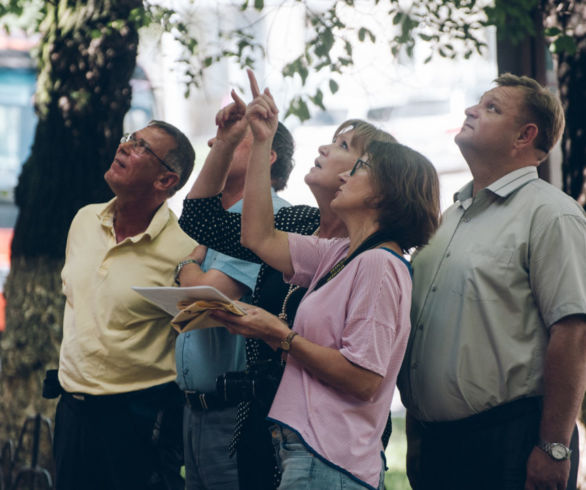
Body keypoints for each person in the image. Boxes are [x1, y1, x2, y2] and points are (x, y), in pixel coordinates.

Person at [210, 74, 440, 490]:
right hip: (308, 455)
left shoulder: (380, 265)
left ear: (383, 196)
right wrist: (263, 142)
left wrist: (279, 335)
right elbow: (258, 237)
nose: (347, 173)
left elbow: (364, 378)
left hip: (331, 460)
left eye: (361, 167)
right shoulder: (342, 254)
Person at [398, 74, 586, 490]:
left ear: (525, 135)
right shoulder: (449, 219)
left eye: (491, 108)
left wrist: (555, 447)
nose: (470, 111)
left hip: (509, 444)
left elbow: (572, 333)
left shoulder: (552, 214)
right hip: (433, 446)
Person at [53, 121, 196, 490]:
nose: (124, 147)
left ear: (166, 181)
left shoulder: (184, 250)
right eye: (128, 139)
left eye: (140, 147)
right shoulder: (85, 219)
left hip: (137, 419)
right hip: (71, 410)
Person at [174, 99, 293, 490]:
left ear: (267, 153)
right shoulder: (219, 220)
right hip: (196, 410)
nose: (212, 145)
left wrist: (183, 266)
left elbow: (207, 293)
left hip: (235, 409)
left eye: (231, 141)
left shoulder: (270, 216)